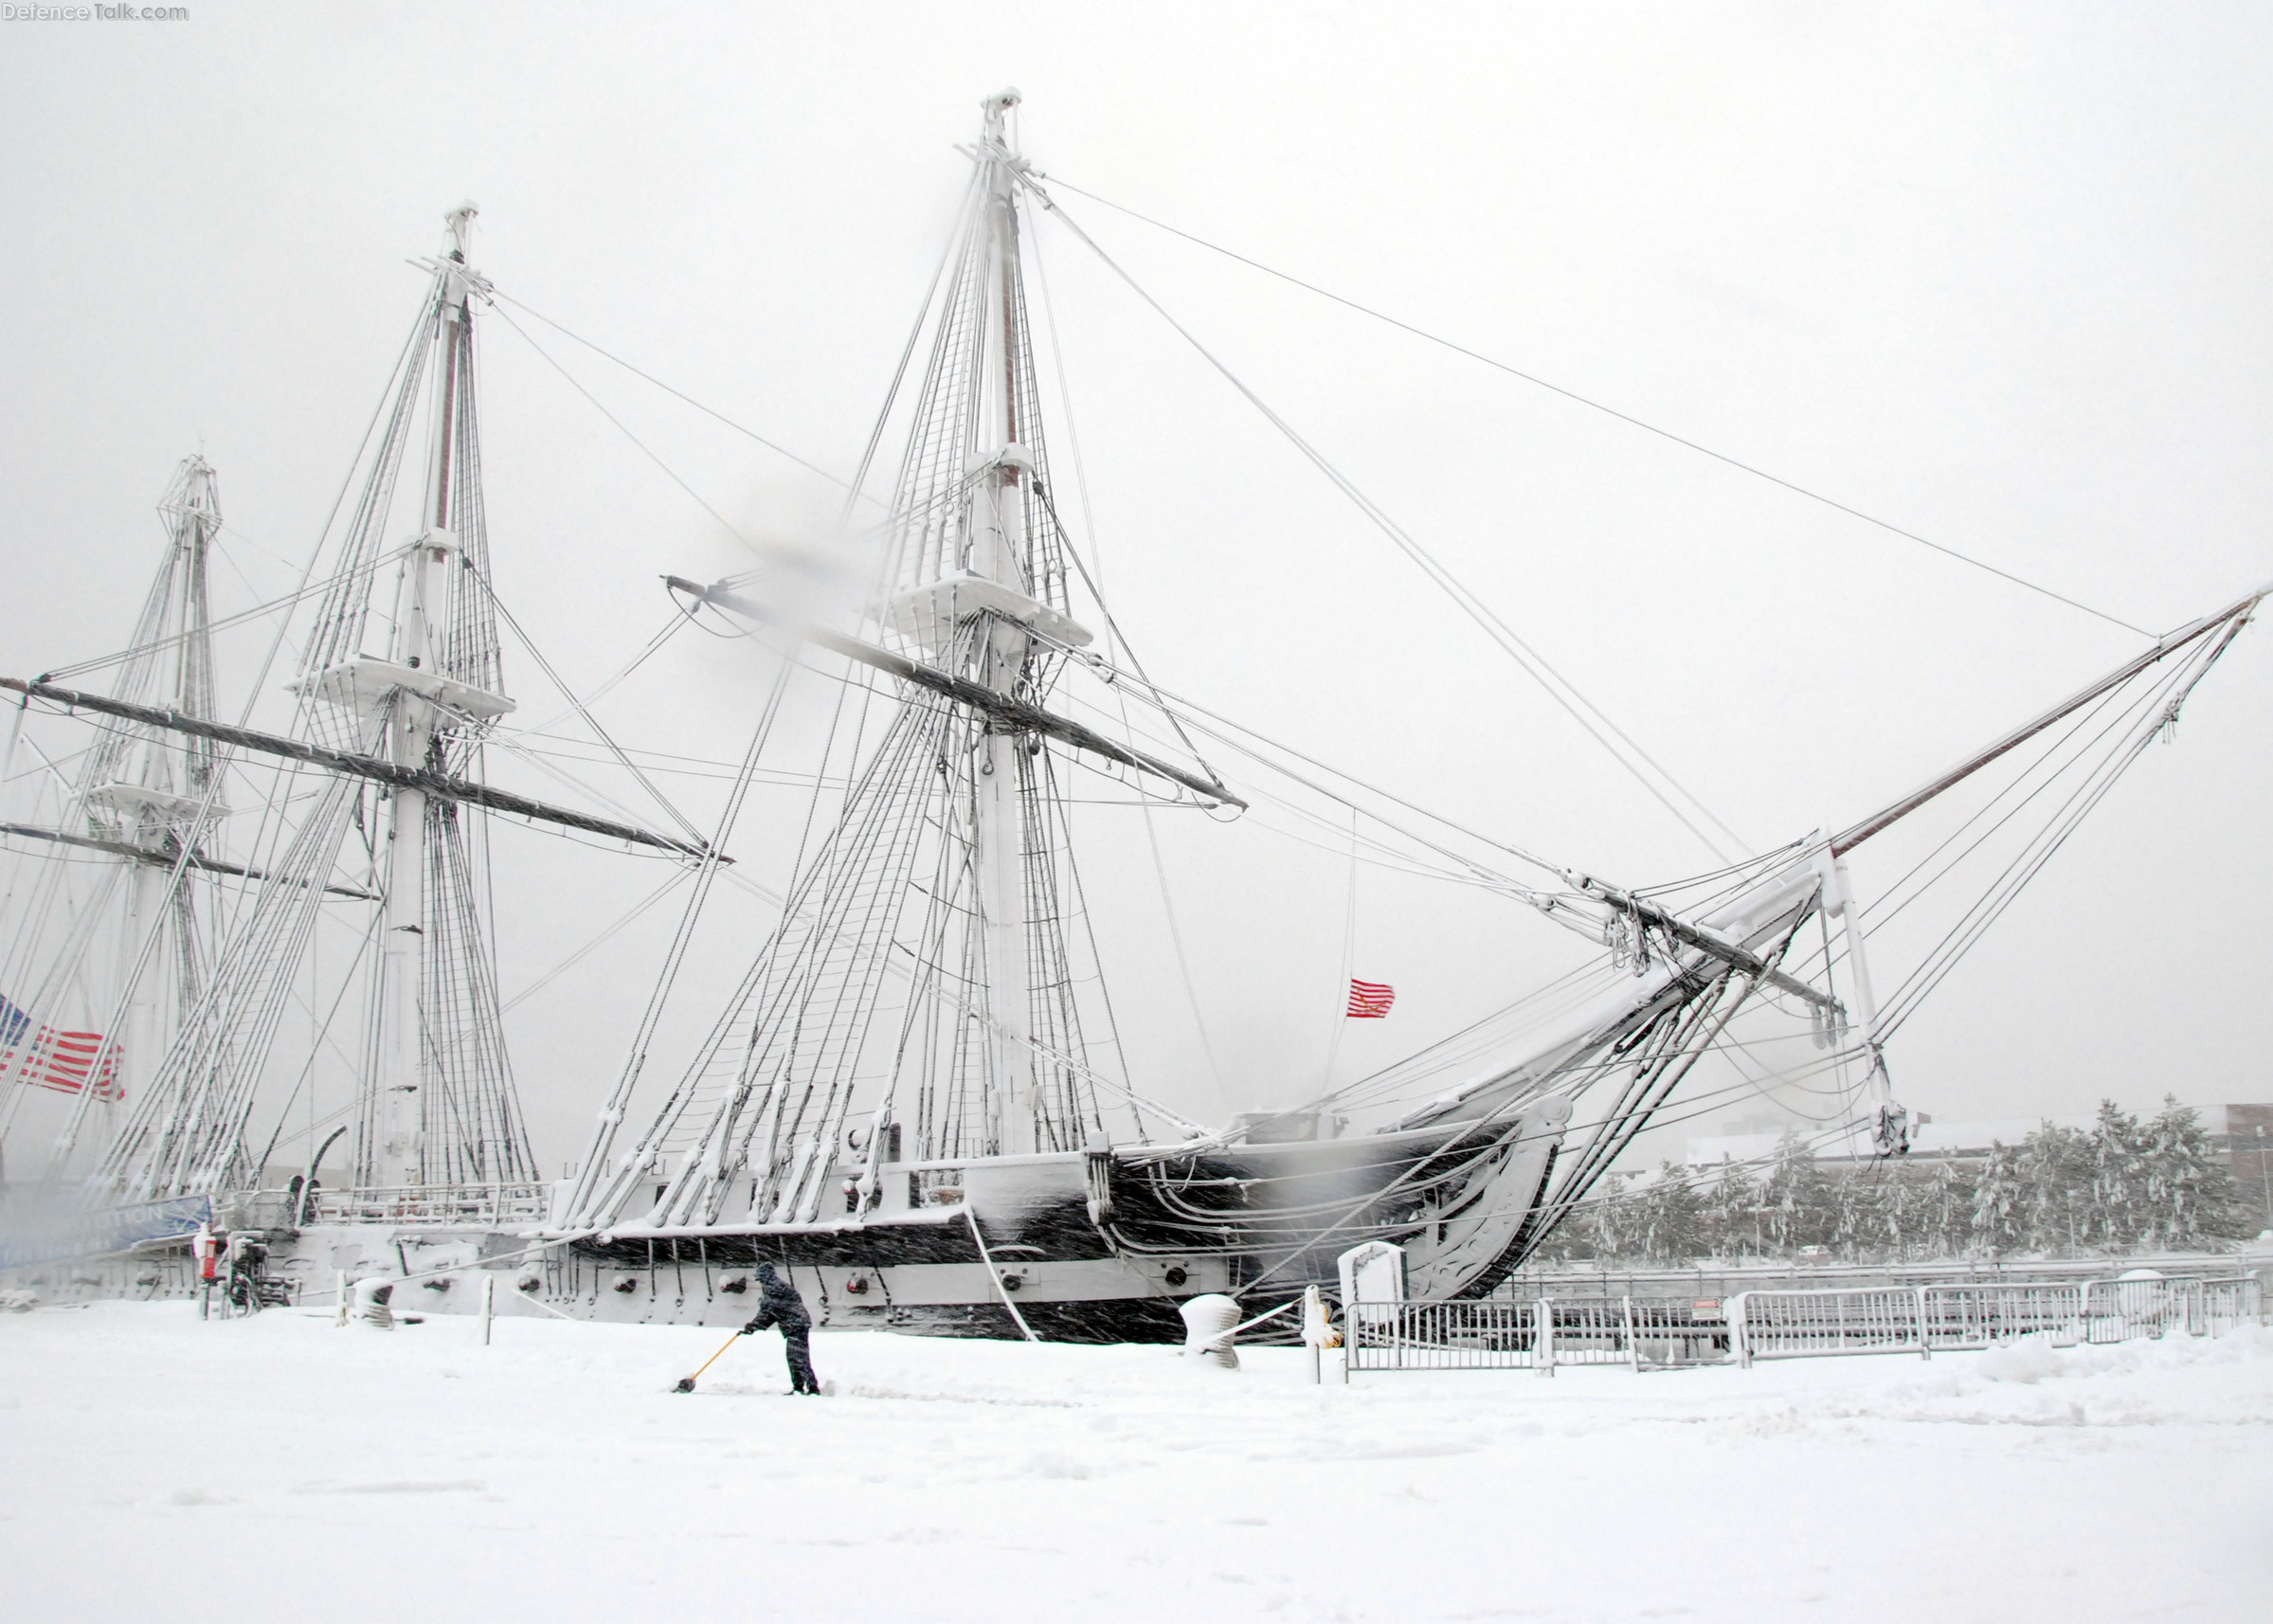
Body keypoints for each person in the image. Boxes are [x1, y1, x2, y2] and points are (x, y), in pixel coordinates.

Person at [740, 1263, 819, 1395]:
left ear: (765, 1277)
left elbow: (767, 1312)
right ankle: (800, 1388)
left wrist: (753, 1325)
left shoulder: (775, 1289)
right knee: (794, 1358)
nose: (760, 1282)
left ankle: (812, 1388)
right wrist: (755, 1327)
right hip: (796, 1325)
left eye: (760, 1279)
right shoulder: (778, 1286)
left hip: (796, 1325)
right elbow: (772, 1314)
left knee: (798, 1358)